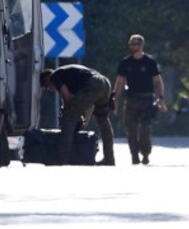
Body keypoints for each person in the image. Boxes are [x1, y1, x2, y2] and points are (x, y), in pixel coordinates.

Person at [39, 64, 115, 166]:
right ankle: (109, 159)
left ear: (47, 78)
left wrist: (72, 114)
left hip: (93, 84)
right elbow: (87, 103)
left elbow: (67, 98)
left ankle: (61, 158)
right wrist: (83, 118)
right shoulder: (70, 76)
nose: (50, 89)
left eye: (47, 86)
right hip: (105, 83)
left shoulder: (55, 76)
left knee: (68, 118)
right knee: (103, 122)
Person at [113, 34, 167, 165]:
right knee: (130, 130)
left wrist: (160, 97)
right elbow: (119, 81)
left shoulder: (149, 62)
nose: (133, 47)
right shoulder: (125, 63)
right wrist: (114, 98)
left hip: (147, 99)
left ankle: (146, 153)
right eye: (131, 44)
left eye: (135, 44)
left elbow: (157, 81)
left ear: (141, 46)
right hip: (131, 100)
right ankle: (134, 155)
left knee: (144, 129)